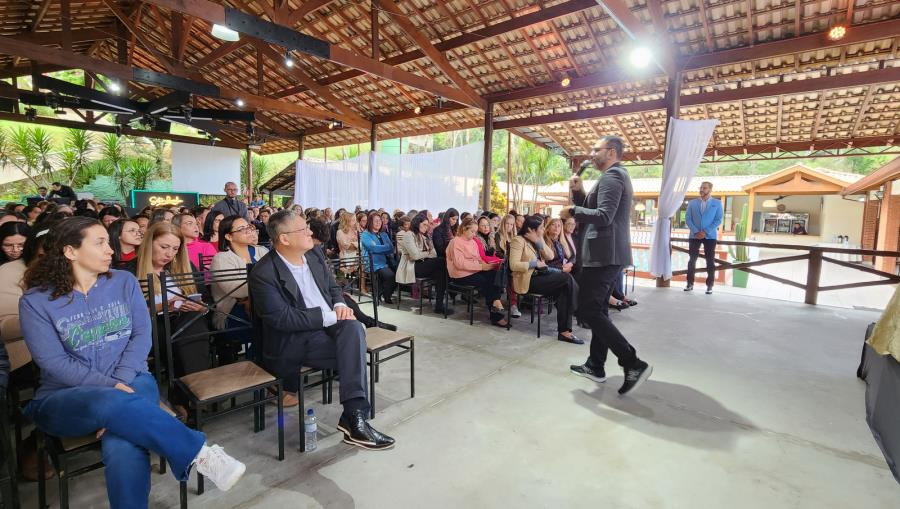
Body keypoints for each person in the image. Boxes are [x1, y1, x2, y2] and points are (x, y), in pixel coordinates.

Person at [19, 217, 246, 509]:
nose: (110, 250)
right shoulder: (37, 302)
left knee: (123, 442)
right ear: (70, 251)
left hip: (134, 378)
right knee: (109, 404)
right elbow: (53, 362)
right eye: (99, 242)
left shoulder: (123, 282)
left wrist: (121, 381)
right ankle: (199, 453)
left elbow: (141, 335)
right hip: (64, 395)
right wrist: (112, 388)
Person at [248, 211, 395, 450]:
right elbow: (282, 319)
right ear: (284, 239)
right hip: (295, 341)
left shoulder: (314, 253)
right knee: (353, 348)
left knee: (353, 327)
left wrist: (339, 304)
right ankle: (355, 419)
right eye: (303, 229)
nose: (310, 232)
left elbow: (333, 287)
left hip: (330, 328)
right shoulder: (264, 273)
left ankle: (354, 416)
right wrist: (330, 315)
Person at [564, 136, 651, 396]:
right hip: (606, 254)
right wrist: (579, 193)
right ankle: (595, 365)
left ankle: (632, 362)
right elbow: (593, 209)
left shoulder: (613, 177)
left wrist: (571, 211)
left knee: (588, 311)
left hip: (604, 255)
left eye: (596, 149)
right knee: (598, 309)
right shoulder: (611, 177)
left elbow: (603, 217)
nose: (591, 154)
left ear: (611, 152)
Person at [133, 223, 211, 412]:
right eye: (164, 247)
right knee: (190, 330)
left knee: (191, 323)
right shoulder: (130, 271)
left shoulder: (182, 267)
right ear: (149, 243)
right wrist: (165, 305)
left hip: (185, 323)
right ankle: (195, 395)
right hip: (152, 327)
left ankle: (186, 398)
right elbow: (131, 313)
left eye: (175, 249)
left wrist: (199, 306)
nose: (169, 254)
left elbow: (206, 301)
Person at [509, 216, 581, 344]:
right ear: (531, 229)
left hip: (541, 277)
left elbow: (550, 255)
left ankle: (565, 332)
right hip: (528, 280)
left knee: (564, 289)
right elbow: (513, 265)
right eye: (541, 227)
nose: (543, 229)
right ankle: (578, 310)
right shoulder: (518, 240)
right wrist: (534, 263)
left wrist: (538, 241)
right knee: (566, 278)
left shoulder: (537, 239)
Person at [209, 216, 268, 367]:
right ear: (229, 236)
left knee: (277, 321)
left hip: (263, 307)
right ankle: (260, 368)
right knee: (272, 325)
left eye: (248, 226)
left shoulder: (262, 251)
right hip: (233, 313)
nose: (249, 230)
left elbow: (278, 278)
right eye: (242, 229)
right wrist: (266, 288)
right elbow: (236, 290)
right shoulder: (221, 258)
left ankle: (266, 367)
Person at [446, 217, 508, 327]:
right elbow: (459, 264)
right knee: (487, 282)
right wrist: (481, 267)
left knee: (494, 275)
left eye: (475, 232)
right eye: (472, 231)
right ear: (464, 229)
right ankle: (496, 313)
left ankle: (496, 303)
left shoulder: (473, 242)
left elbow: (478, 258)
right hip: (460, 275)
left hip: (473, 271)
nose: (474, 235)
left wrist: (487, 265)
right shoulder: (455, 242)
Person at [397, 213, 451, 315]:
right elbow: (415, 256)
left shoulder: (423, 236)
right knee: (442, 261)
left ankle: (439, 305)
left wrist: (423, 254)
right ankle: (444, 300)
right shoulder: (409, 235)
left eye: (428, 225)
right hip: (412, 266)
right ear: (418, 223)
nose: (427, 227)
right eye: (425, 224)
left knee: (441, 272)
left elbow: (433, 253)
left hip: (423, 264)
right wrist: (426, 253)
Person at [684, 181, 723, 295]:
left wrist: (705, 232)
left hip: (710, 236)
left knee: (710, 261)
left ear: (710, 189)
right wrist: (696, 231)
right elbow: (688, 218)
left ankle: (709, 285)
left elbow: (719, 220)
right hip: (694, 235)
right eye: (700, 188)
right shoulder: (692, 203)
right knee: (692, 261)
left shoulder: (717, 203)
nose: (701, 190)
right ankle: (689, 283)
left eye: (704, 188)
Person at [360, 212, 396, 304]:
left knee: (399, 274)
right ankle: (385, 295)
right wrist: (384, 248)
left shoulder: (383, 234)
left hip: (387, 260)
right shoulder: (365, 234)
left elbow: (391, 248)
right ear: (370, 222)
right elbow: (372, 248)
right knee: (390, 276)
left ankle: (382, 293)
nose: (378, 222)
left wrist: (379, 248)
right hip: (373, 262)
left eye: (380, 220)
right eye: (375, 221)